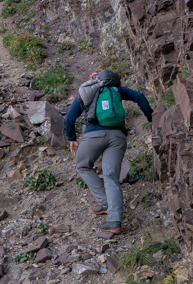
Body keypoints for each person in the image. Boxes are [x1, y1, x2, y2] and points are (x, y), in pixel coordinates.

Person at [63, 69, 154, 234]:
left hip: (94, 136)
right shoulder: (116, 89)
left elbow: (69, 118)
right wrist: (151, 119)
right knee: (111, 177)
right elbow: (139, 97)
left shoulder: (87, 90)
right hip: (118, 137)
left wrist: (72, 138)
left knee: (83, 165)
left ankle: (103, 201)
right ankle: (114, 221)